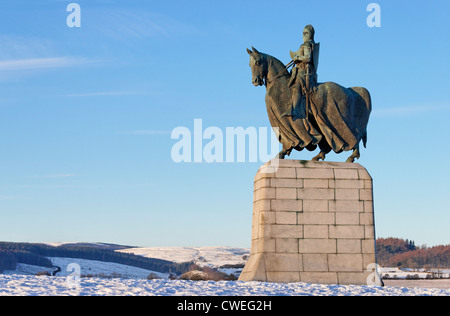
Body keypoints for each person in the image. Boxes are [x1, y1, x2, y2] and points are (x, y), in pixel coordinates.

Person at [287, 25, 319, 120]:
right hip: (300, 70)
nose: (304, 35)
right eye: (303, 33)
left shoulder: (307, 45)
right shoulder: (303, 45)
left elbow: (308, 57)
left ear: (311, 34)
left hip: (305, 72)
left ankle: (295, 109)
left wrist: (297, 58)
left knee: (297, 83)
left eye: (306, 33)